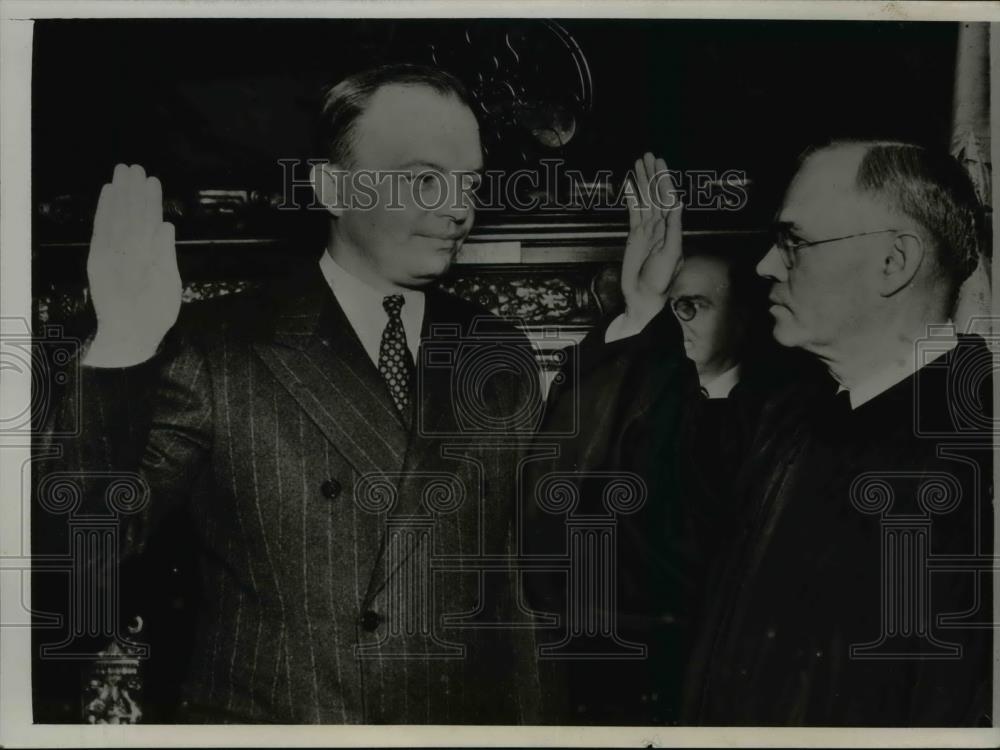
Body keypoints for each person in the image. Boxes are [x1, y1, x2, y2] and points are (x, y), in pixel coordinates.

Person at [37, 64, 543, 724]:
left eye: (469, 182)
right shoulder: (217, 348)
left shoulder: (497, 354)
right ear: (332, 187)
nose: (457, 207)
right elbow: (78, 557)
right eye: (423, 179)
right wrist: (120, 351)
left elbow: (518, 604)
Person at [543, 143, 992, 726]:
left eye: (794, 243)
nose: (765, 266)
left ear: (894, 261)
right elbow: (635, 519)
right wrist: (645, 307)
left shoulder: (975, 457)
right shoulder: (785, 419)